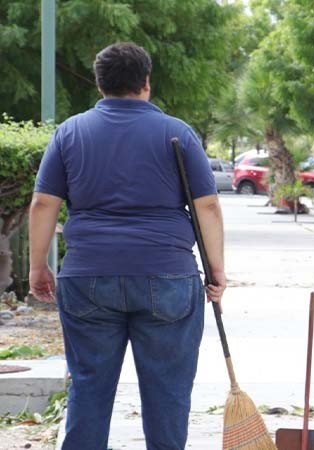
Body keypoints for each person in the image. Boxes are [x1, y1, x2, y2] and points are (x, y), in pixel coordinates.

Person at [28, 42, 225, 449]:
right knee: (168, 392)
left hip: (87, 276)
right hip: (168, 276)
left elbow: (43, 202)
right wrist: (217, 270)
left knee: (89, 386)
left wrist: (37, 266)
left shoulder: (70, 132)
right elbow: (206, 204)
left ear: (100, 84)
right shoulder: (177, 133)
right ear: (146, 82)